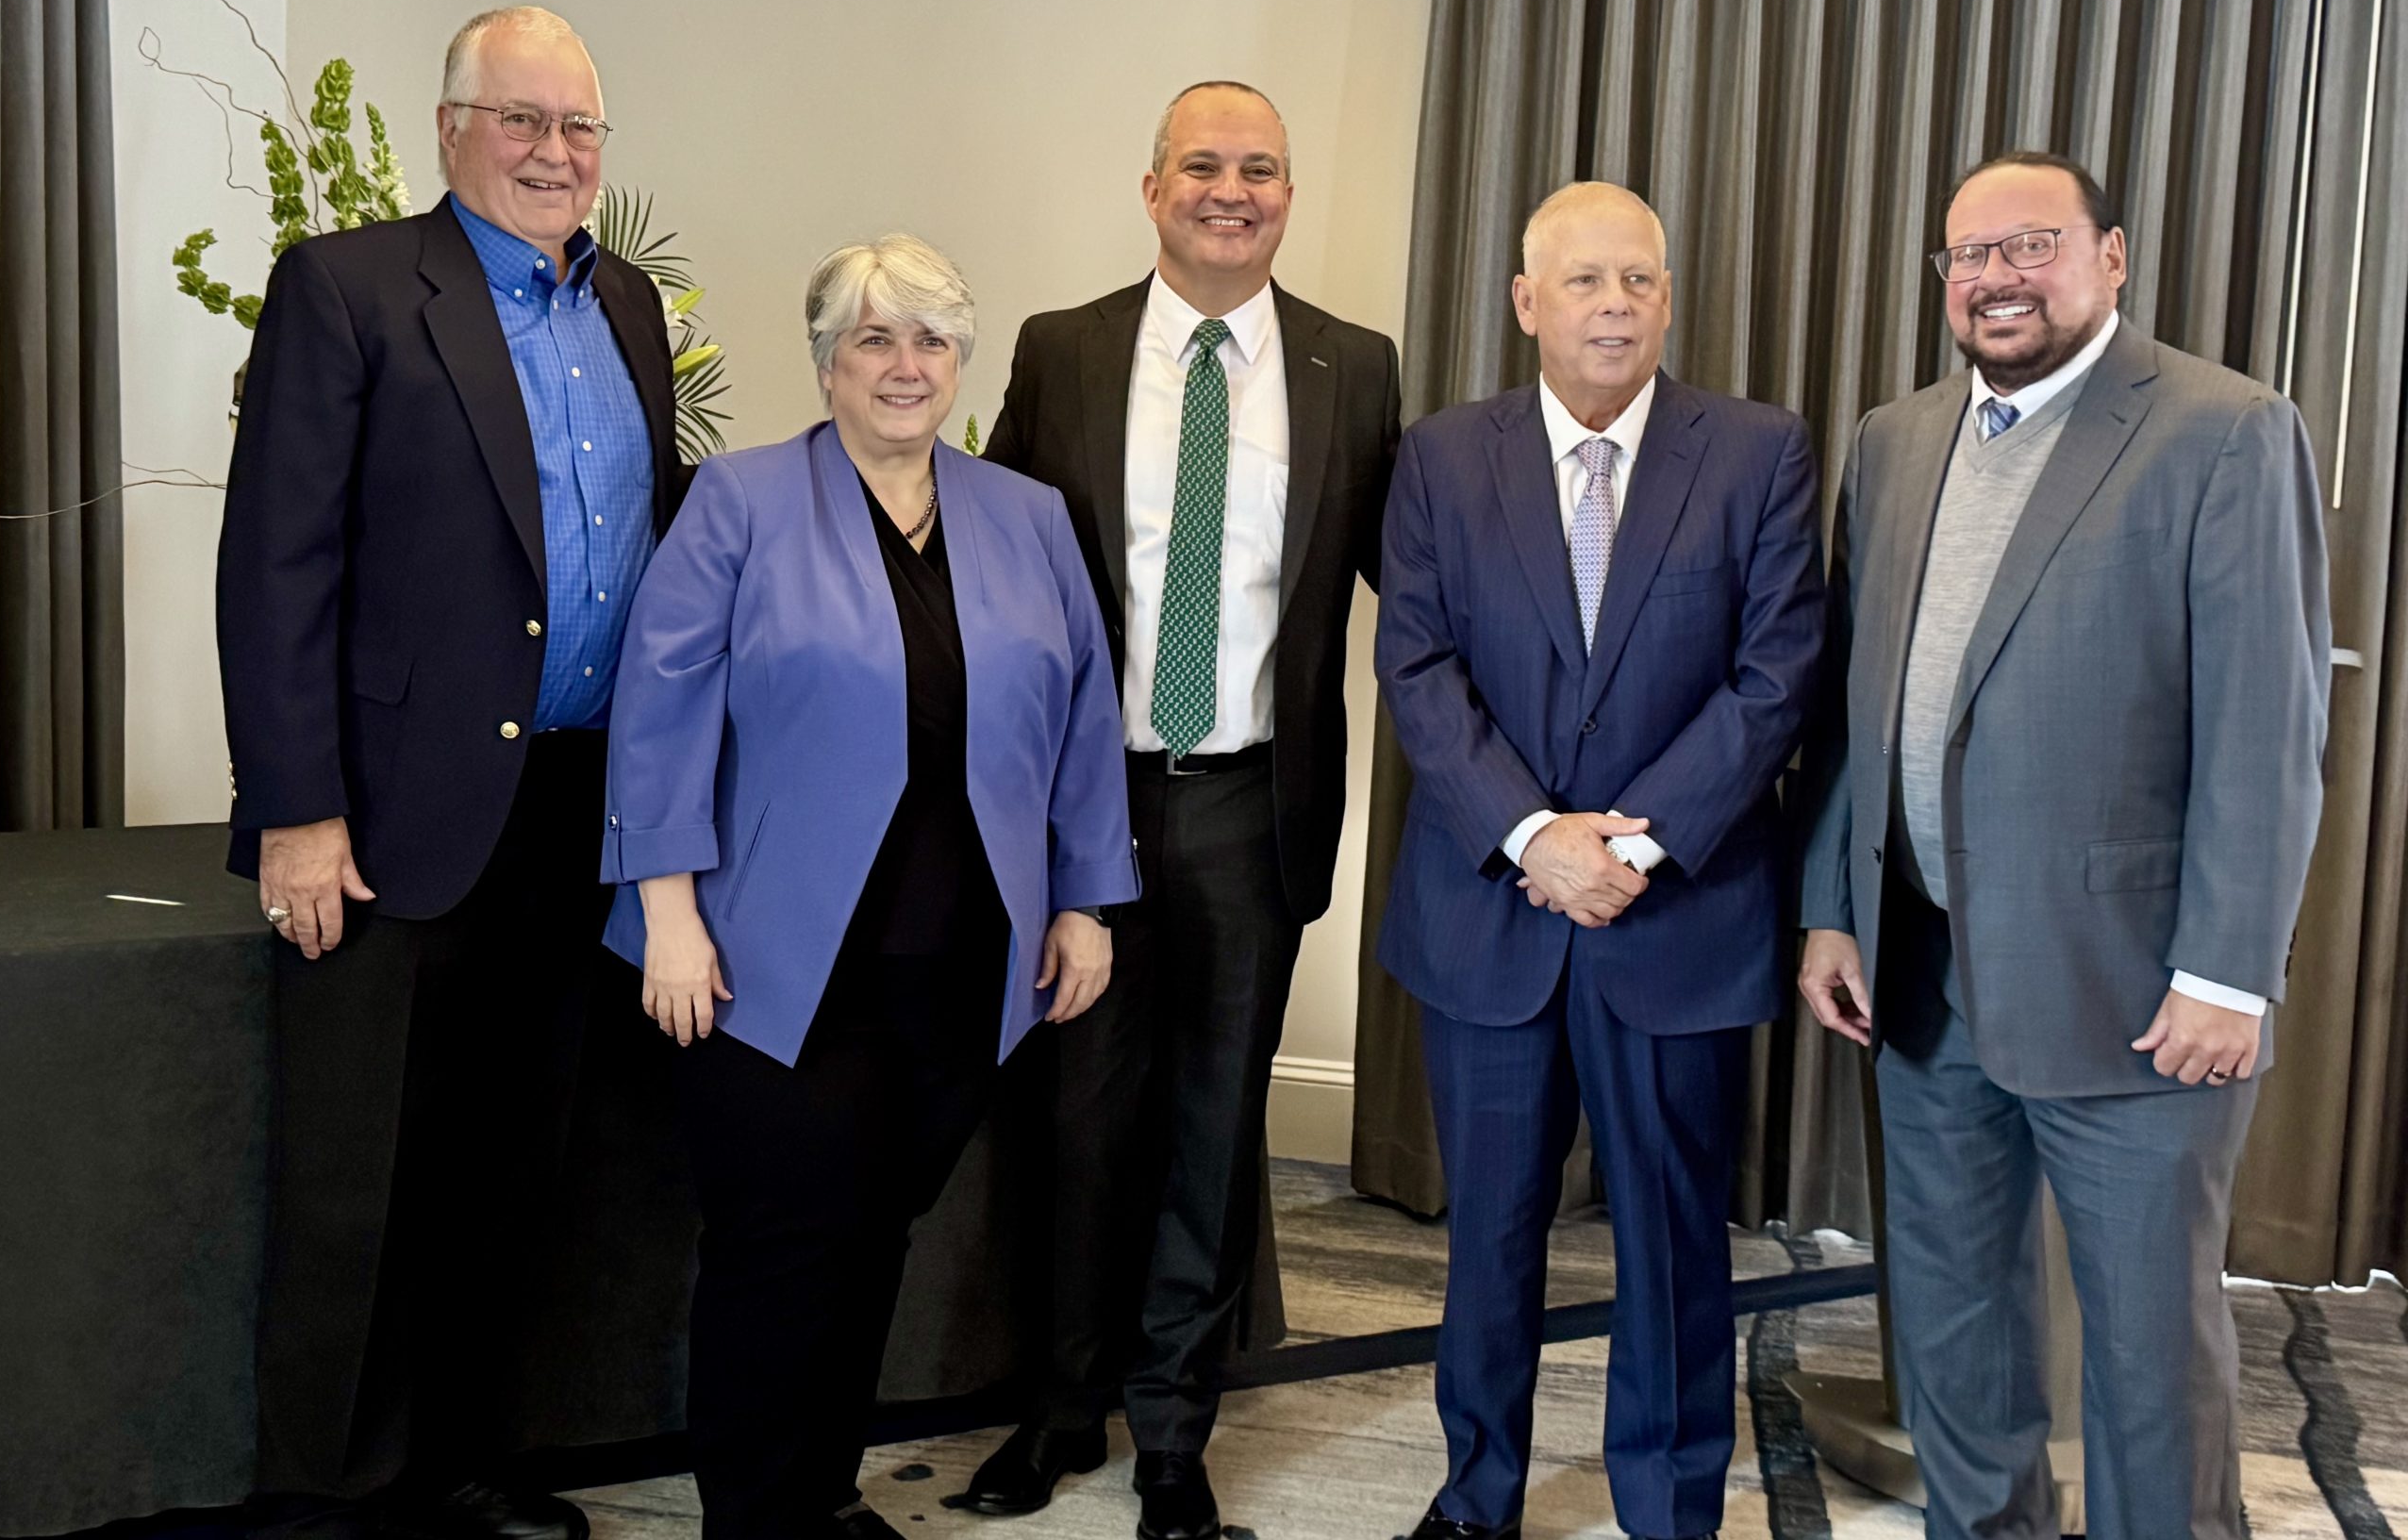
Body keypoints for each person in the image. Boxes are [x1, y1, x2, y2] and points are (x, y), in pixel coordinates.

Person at [1794, 152, 2330, 1540]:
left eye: (2030, 244)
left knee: (2149, 1359)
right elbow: (1857, 702)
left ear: (2113, 255)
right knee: (1958, 1333)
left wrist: (2229, 971)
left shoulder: (2224, 430)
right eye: (1966, 255)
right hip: (1921, 974)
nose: (1994, 277)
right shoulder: (1894, 439)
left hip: (2136, 989)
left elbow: (2267, 726)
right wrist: (1833, 909)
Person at [217, 6, 680, 1539]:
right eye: (525, 121)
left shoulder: (627, 305)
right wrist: (296, 807)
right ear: (451, 126)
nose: (557, 153)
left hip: (574, 804)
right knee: (362, 1185)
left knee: (510, 1167)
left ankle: (468, 1463)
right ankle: (333, 1497)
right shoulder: (347, 289)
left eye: (581, 128)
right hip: (386, 814)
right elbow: (274, 566)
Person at [599, 233, 1139, 1540]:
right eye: (873, 340)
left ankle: (822, 1495)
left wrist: (1082, 900)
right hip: (769, 958)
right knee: (781, 1255)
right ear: (827, 362)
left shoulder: (1026, 513)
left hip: (961, 961)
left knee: (871, 1241)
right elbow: (659, 713)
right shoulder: (739, 501)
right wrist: (666, 912)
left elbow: (1080, 717)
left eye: (932, 339)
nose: (906, 366)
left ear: (962, 358)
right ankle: (757, 1517)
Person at [958, 81, 1399, 1540]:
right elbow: (996, 571)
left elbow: (1423, 580)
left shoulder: (1354, 365)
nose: (1233, 189)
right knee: (1075, 1121)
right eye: (1203, 165)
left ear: (1289, 194)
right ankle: (1057, 1407)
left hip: (1252, 804)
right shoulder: (1065, 350)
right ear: (1151, 188)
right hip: (1090, 804)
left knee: (1213, 1129)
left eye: (1260, 168)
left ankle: (1168, 1433)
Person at [1375, 181, 1823, 1540]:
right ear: (1526, 303)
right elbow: (1418, 664)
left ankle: (1670, 1506)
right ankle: (1476, 1500)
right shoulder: (1443, 458)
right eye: (1583, 282)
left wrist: (1632, 844)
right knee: (1491, 1244)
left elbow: (1778, 669)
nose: (1614, 304)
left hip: (1673, 920)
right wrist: (1534, 838)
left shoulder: (1757, 453)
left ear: (1669, 298)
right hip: (1491, 916)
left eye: (1637, 279)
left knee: (1676, 1249)